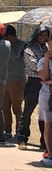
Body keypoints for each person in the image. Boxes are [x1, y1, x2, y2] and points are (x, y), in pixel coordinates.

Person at [17, 24, 50, 150]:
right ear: (37, 35)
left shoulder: (48, 48)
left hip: (46, 82)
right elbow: (34, 65)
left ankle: (44, 141)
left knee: (45, 113)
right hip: (34, 82)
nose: (43, 37)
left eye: (46, 35)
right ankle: (22, 138)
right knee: (27, 111)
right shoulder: (29, 49)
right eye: (41, 35)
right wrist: (46, 63)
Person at [3, 25, 26, 139]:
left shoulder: (22, 45)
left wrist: (10, 44)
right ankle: (7, 131)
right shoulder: (4, 45)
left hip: (17, 80)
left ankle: (19, 131)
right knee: (5, 107)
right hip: (4, 79)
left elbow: (13, 56)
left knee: (16, 108)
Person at [37, 37, 52, 167]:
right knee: (48, 125)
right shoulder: (42, 60)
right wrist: (47, 59)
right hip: (47, 95)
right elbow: (44, 76)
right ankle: (50, 153)